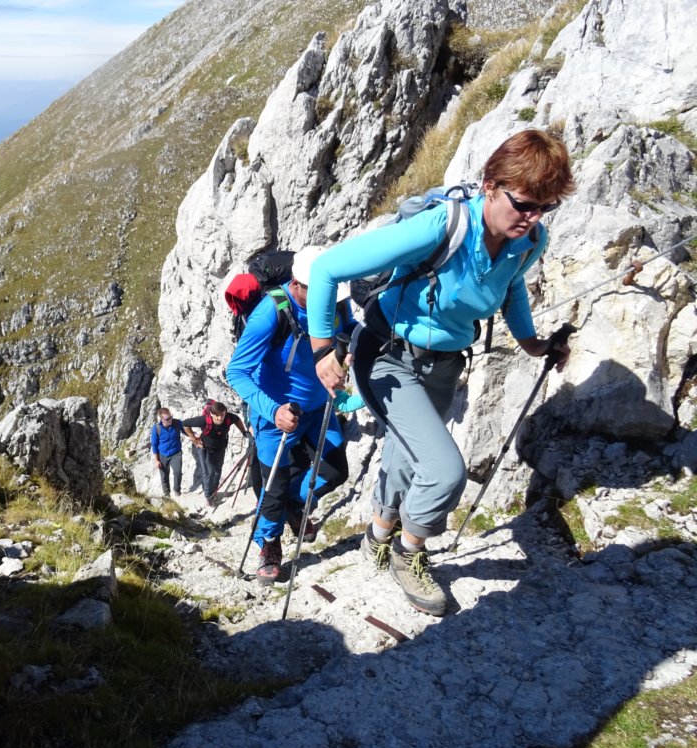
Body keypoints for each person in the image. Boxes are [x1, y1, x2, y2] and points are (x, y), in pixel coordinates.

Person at [306, 129, 575, 616]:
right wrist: (323, 347)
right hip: (387, 357)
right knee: (445, 470)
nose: (534, 217)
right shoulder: (441, 227)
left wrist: (533, 343)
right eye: (525, 204)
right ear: (490, 185)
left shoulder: (528, 241)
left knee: (407, 454)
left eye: (546, 207)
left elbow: (511, 287)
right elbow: (327, 269)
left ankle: (377, 537)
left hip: (445, 363)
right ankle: (409, 553)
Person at [226, 246, 356, 585]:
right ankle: (269, 544)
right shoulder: (271, 314)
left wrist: (355, 347)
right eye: (321, 292)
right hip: (276, 416)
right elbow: (236, 371)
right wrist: (273, 411)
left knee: (335, 472)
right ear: (296, 284)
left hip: (318, 408)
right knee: (273, 489)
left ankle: (292, 508)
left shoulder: (336, 302)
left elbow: (350, 327)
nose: (328, 300)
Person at [182, 401, 249, 506]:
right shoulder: (203, 420)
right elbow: (185, 423)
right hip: (205, 449)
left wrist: (244, 432)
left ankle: (214, 492)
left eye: (222, 414)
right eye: (216, 415)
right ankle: (208, 496)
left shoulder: (229, 418)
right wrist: (194, 439)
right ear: (211, 414)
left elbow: (237, 420)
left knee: (218, 471)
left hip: (220, 448)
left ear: (225, 412)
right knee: (208, 473)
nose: (219, 418)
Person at [150, 407, 185, 497]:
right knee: (164, 475)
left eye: (171, 417)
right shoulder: (156, 428)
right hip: (162, 454)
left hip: (176, 453)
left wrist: (196, 436)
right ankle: (166, 494)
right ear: (162, 419)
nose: (170, 420)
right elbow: (154, 444)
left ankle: (177, 490)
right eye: (168, 419)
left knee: (177, 472)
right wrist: (156, 460)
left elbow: (186, 431)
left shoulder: (177, 423)